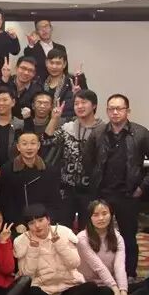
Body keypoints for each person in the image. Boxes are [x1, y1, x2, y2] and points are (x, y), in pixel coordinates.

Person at [84, 94, 149, 277]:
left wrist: (143, 187)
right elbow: (87, 160)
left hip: (129, 194)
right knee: (98, 235)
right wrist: (94, 182)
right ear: (107, 111)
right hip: (102, 194)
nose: (115, 112)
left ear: (127, 111)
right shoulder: (98, 133)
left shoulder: (140, 133)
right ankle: (100, 273)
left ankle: (129, 274)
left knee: (128, 237)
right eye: (111, 108)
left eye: (119, 108)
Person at [14, 203, 109, 295]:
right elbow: (27, 275)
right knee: (32, 292)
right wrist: (33, 250)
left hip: (67, 286)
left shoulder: (63, 232)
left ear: (48, 220)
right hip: (42, 290)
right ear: (28, 226)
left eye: (40, 220)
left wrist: (59, 243)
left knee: (93, 288)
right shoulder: (21, 241)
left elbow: (74, 263)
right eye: (32, 223)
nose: (37, 226)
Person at [77, 199, 149, 295]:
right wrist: (116, 291)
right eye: (96, 215)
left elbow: (119, 267)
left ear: (111, 215)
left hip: (112, 284)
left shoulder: (117, 237)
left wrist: (123, 293)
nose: (101, 218)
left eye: (104, 213)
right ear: (90, 218)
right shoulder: (82, 238)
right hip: (92, 286)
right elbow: (99, 267)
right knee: (105, 293)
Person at [44, 89, 103, 229]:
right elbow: (46, 141)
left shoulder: (103, 130)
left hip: (91, 189)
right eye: (76, 103)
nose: (79, 106)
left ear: (94, 105)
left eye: (84, 102)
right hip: (67, 188)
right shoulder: (67, 128)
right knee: (63, 229)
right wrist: (54, 119)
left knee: (88, 230)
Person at [1, 130, 62, 224]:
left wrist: (47, 221)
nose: (29, 147)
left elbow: (54, 202)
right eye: (24, 144)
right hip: (19, 223)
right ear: (18, 147)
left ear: (38, 146)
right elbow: (6, 202)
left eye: (33, 143)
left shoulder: (49, 170)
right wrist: (17, 223)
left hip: (43, 222)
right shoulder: (7, 170)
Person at [40, 48, 87, 120]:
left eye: (58, 63)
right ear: (46, 63)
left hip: (68, 122)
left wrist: (80, 85)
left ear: (64, 64)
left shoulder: (73, 81)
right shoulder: (40, 81)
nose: (54, 67)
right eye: (51, 63)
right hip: (45, 122)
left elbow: (87, 103)